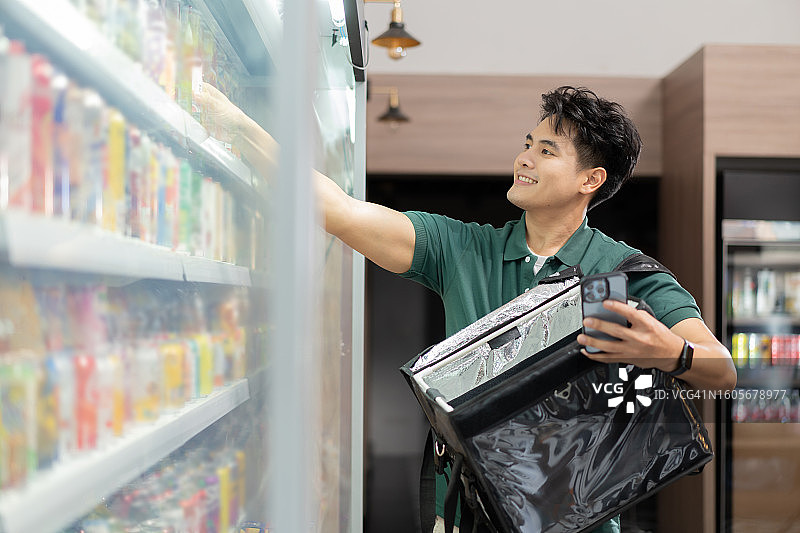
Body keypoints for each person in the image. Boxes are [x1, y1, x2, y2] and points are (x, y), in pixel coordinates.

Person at [198, 84, 737, 533]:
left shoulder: (628, 275)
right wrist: (232, 123)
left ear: (589, 181)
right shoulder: (461, 249)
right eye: (528, 143)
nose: (524, 158)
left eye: (547, 151)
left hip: (582, 520)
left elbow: (723, 369)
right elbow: (336, 211)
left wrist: (672, 350)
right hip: (467, 515)